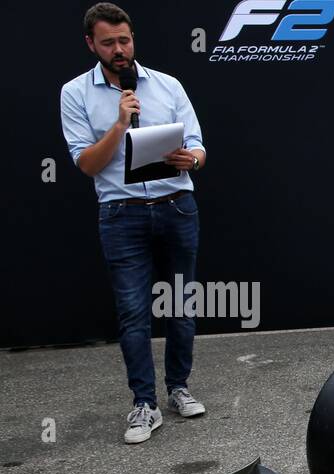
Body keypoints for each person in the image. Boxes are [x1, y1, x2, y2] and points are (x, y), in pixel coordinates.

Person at [60, 3, 208, 444]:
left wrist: (192, 159)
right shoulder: (75, 93)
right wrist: (120, 123)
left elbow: (198, 143)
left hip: (177, 206)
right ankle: (144, 405)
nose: (119, 50)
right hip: (121, 215)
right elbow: (86, 163)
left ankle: (178, 388)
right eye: (109, 43)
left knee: (181, 308)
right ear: (91, 44)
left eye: (124, 40)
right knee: (133, 314)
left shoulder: (168, 85)